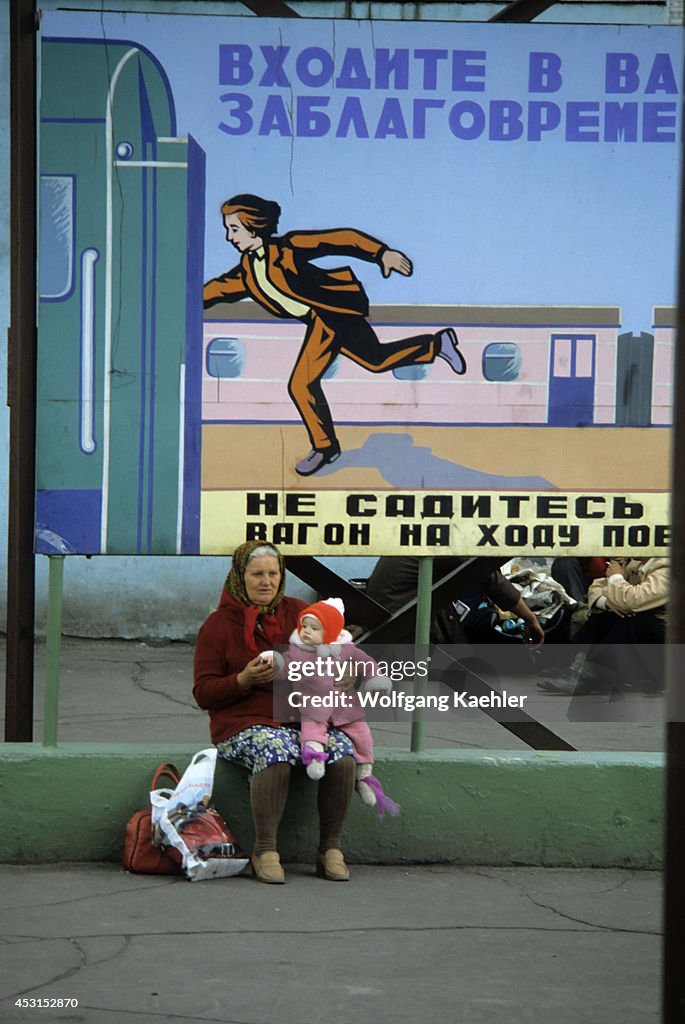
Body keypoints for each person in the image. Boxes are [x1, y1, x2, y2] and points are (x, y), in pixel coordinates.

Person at [203, 194, 466, 476]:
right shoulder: (246, 273)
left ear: (253, 226)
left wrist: (381, 253)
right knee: (376, 360)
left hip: (331, 313)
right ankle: (437, 344)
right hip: (333, 317)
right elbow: (215, 290)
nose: (230, 237)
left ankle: (326, 447)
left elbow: (339, 238)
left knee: (301, 384)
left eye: (234, 229)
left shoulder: (288, 248)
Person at [193, 540, 356, 884]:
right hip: (242, 725)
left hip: (300, 721)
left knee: (342, 752)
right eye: (257, 574)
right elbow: (203, 692)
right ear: (240, 577)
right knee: (274, 749)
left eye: (273, 573)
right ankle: (265, 849)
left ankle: (330, 848)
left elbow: (339, 646)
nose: (266, 581)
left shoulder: (300, 614)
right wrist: (243, 680)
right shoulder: (218, 625)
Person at [271, 597, 400, 817]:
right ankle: (314, 758)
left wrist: (375, 678)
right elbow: (283, 667)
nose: (306, 632)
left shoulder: (345, 650)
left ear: (330, 632)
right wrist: (275, 663)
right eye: (304, 626)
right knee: (311, 732)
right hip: (313, 708)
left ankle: (364, 777)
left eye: (314, 628)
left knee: (363, 737)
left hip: (345, 709)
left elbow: (366, 662)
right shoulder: (297, 651)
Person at [537, 556, 668, 694]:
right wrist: (606, 601)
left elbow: (634, 600)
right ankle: (580, 670)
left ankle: (591, 674)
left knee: (631, 615)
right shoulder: (635, 565)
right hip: (642, 644)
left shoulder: (667, 568)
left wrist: (616, 578)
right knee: (607, 611)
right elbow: (597, 586)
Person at [364, 556, 545, 646]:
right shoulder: (442, 538)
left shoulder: (419, 533)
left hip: (389, 616)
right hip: (400, 624)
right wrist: (530, 619)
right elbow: (489, 577)